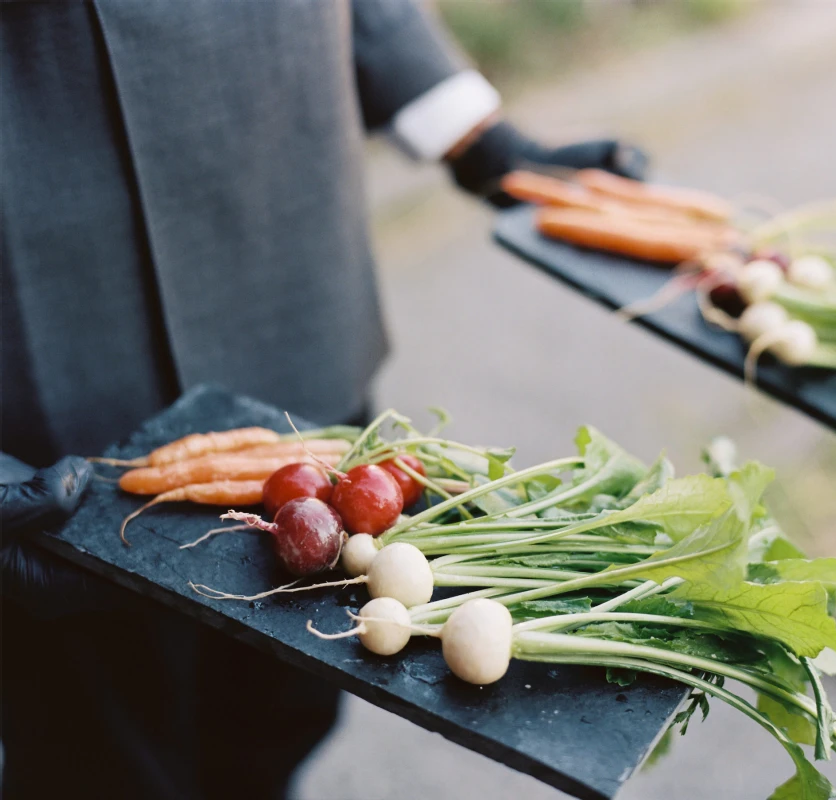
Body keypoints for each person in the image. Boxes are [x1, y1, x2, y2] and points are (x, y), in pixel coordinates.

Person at [0, 2, 646, 797]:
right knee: (97, 751)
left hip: (289, 263)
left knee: (282, 715)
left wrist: (470, 132)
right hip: (35, 326)